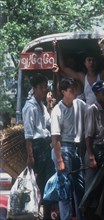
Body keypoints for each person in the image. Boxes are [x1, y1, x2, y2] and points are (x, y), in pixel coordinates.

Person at [50, 78, 87, 220]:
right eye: (71, 91)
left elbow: (91, 108)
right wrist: (59, 160)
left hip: (74, 149)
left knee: (79, 187)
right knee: (64, 190)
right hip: (63, 148)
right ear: (63, 92)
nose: (74, 93)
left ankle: (80, 216)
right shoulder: (57, 110)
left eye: (75, 90)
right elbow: (55, 138)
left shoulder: (78, 104)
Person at [22, 73, 55, 220]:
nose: (43, 90)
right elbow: (28, 135)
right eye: (41, 87)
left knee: (48, 182)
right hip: (37, 147)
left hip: (46, 146)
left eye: (45, 87)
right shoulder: (30, 107)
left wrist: (49, 105)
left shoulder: (41, 106)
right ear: (34, 89)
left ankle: (46, 215)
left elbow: (48, 123)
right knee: (42, 182)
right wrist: (30, 156)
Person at [79, 80, 104, 220]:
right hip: (94, 150)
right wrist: (92, 157)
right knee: (91, 190)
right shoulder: (91, 109)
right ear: (96, 93)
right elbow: (88, 136)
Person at [57, 39, 104, 105]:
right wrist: (58, 48)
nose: (92, 62)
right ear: (85, 63)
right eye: (89, 60)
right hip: (88, 112)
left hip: (101, 111)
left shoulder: (101, 75)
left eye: (94, 60)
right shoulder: (82, 77)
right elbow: (63, 67)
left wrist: (103, 47)